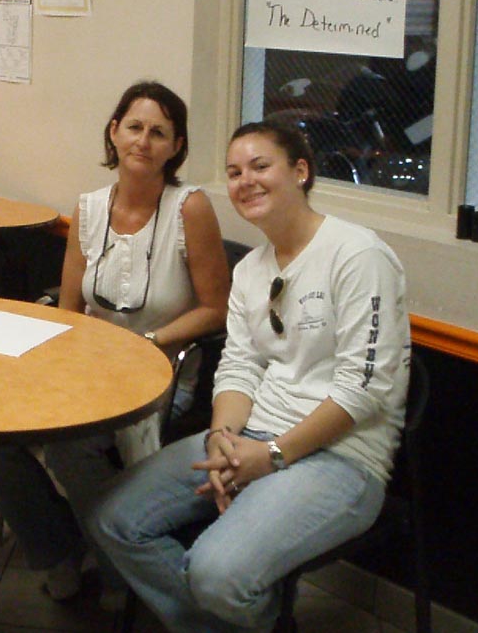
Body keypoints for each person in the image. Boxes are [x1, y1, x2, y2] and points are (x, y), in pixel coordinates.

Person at [89, 120, 412, 632]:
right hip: (251, 437)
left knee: (215, 574)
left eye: (261, 166)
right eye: (235, 172)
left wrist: (274, 454)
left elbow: (363, 389)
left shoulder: (358, 255)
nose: (246, 181)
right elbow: (239, 366)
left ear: (300, 171)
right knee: (112, 518)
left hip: (342, 458)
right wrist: (222, 437)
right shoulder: (251, 269)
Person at [0, 80, 230, 605]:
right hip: (88, 367)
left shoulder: (190, 208)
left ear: (176, 146)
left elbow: (216, 308)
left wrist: (148, 342)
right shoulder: (89, 209)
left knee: (71, 445)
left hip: (160, 373)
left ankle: (119, 568)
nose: (143, 141)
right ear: (114, 133)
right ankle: (58, 550)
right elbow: (69, 310)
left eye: (159, 133)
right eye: (134, 127)